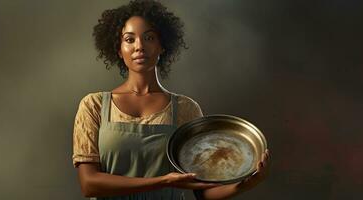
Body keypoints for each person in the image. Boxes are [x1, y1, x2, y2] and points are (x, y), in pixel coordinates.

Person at [72, 1, 270, 199]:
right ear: (118, 49)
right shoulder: (94, 105)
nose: (139, 46)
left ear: (162, 46)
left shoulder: (186, 108)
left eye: (148, 38)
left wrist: (246, 184)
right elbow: (89, 184)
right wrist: (163, 181)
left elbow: (204, 192)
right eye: (129, 39)